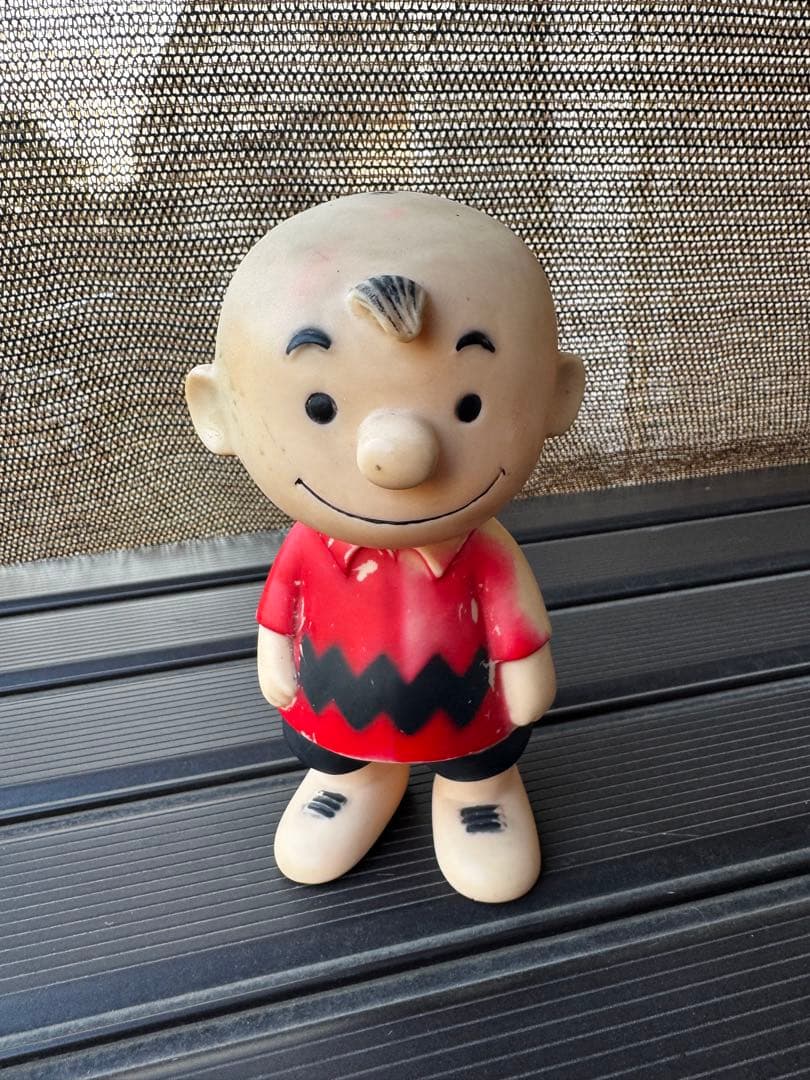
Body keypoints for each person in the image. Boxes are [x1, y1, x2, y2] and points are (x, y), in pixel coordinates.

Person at [185, 191, 584, 902]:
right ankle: (352, 780)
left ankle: (479, 794)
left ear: (556, 398)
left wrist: (526, 674)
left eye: (466, 407)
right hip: (337, 699)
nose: (400, 455)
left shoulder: (486, 556)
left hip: (465, 703)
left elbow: (516, 624)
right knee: (335, 750)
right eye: (322, 408)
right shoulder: (308, 549)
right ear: (218, 413)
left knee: (480, 754)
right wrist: (273, 656)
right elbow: (279, 613)